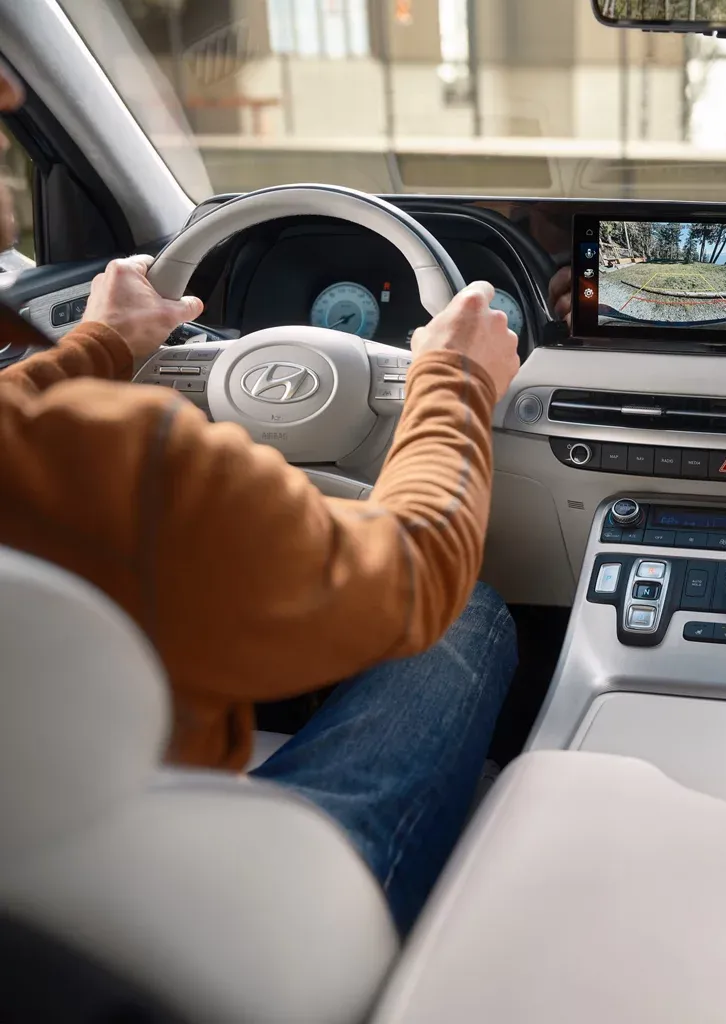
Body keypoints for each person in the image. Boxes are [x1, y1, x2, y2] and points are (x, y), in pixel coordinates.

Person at [0, 62, 519, 933]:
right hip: (197, 938)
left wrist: (101, 344)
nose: (11, 94)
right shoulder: (123, 467)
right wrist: (456, 380)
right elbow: (420, 566)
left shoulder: (51, 460)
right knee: (467, 613)